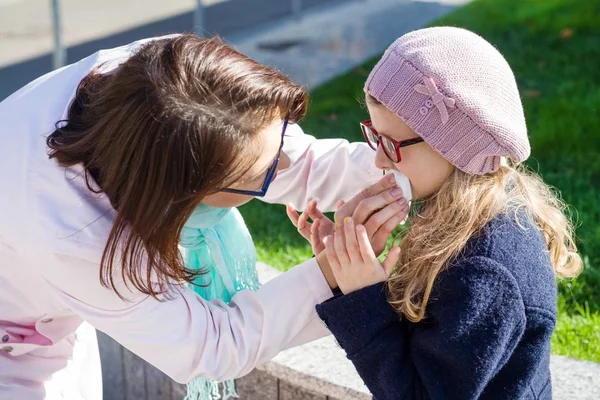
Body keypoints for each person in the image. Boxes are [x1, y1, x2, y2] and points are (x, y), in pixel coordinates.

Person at [0, 34, 412, 399]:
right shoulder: (76, 236)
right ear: (181, 194)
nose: (285, 164)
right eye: (264, 174)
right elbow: (211, 346)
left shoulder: (171, 76)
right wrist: (331, 273)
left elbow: (292, 158)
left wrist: (410, 176)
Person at [296, 27, 582, 399]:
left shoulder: (483, 272)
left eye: (391, 144)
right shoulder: (462, 212)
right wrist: (346, 272)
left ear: (452, 148)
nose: (379, 159)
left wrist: (363, 295)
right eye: (374, 135)